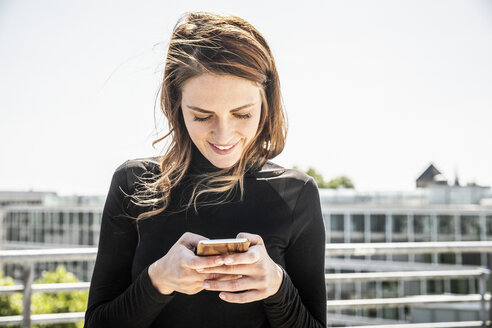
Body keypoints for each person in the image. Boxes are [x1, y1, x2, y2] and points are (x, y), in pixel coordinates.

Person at [84, 11, 326, 328]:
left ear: (265, 103)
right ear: (176, 104)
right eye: (202, 116)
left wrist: (277, 287)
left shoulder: (297, 194)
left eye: (242, 114)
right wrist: (157, 281)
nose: (223, 136)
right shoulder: (132, 183)